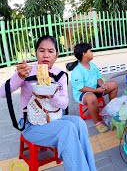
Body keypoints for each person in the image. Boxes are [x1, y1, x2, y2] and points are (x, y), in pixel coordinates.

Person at [0, 36, 97, 170]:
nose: (46, 55)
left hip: (55, 117)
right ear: (36, 53)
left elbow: (64, 104)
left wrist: (52, 96)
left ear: (56, 55)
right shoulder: (26, 72)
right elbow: (2, 93)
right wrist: (19, 77)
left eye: (51, 51)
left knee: (79, 123)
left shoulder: (60, 75)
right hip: (31, 125)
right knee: (67, 129)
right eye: (41, 50)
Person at [70, 43, 118, 133]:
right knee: (91, 97)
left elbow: (98, 78)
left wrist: (102, 84)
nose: (92, 53)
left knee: (114, 84)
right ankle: (98, 122)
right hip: (83, 93)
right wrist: (96, 90)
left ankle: (113, 109)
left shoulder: (92, 65)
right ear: (84, 54)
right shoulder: (77, 70)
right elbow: (81, 88)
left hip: (95, 88)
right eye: (90, 51)